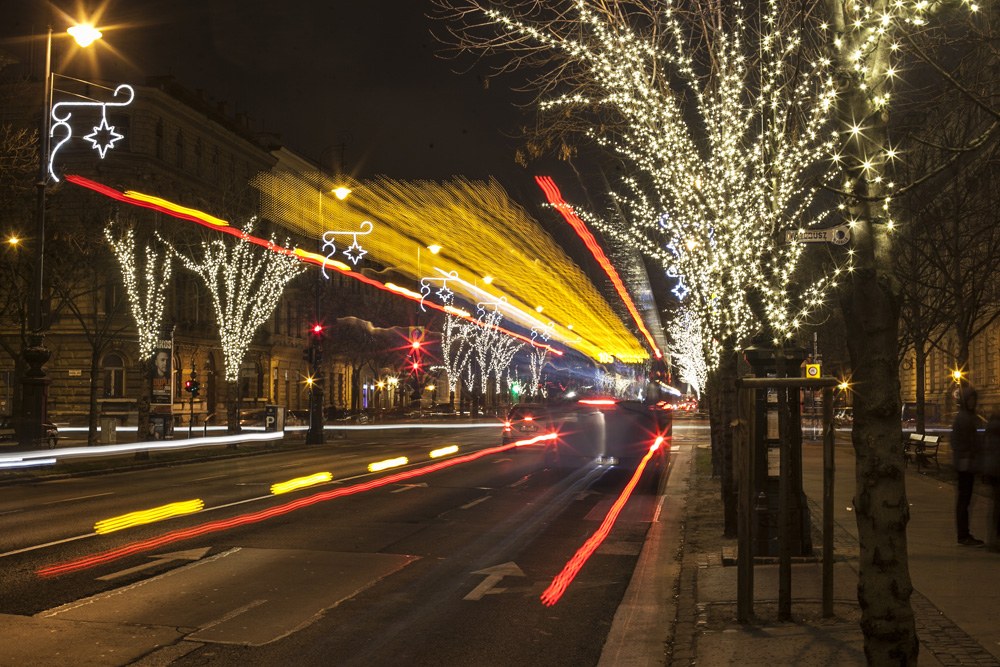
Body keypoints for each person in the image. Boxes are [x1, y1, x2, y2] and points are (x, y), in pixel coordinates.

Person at [952, 384, 984, 547]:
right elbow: (965, 443)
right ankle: (963, 535)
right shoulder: (965, 418)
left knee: (964, 500)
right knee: (964, 500)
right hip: (966, 465)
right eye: (969, 399)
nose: (972, 401)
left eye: (974, 399)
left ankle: (964, 534)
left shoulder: (966, 416)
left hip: (965, 464)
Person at [983, 414, 1000, 551]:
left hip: (992, 471)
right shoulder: (996, 430)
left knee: (995, 506)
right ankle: (995, 540)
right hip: (997, 471)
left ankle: (993, 540)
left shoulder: (990, 430)